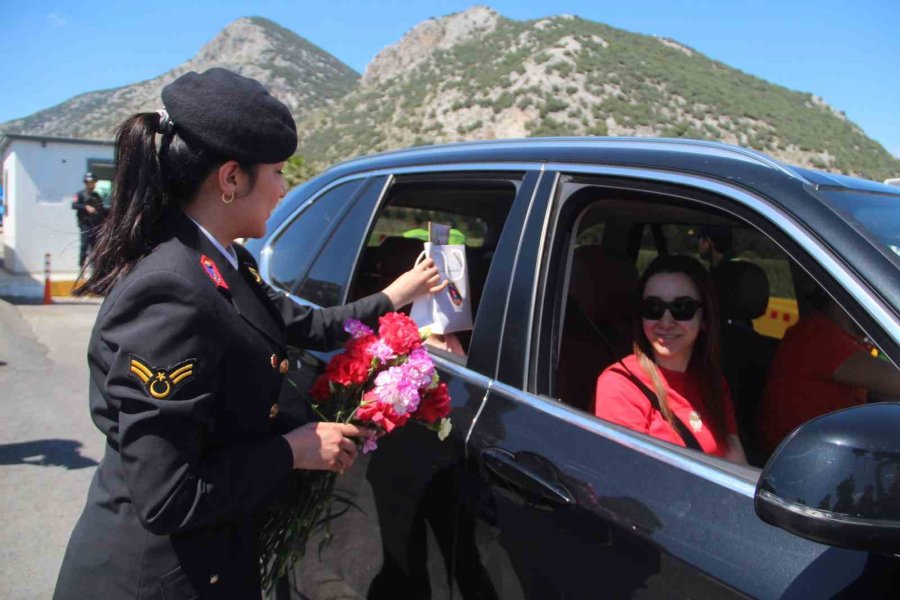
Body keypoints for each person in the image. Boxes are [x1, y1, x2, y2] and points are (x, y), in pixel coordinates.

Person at [53, 68, 445, 600]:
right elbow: (167, 495)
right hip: (153, 581)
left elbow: (303, 325)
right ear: (231, 178)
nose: (285, 189)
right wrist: (292, 450)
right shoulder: (170, 291)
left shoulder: (223, 260)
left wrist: (398, 298)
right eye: (279, 172)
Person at [595, 255, 747, 463]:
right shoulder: (620, 384)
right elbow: (625, 480)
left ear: (705, 318)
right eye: (653, 308)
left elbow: (737, 462)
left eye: (682, 308)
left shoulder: (714, 383)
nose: (666, 322)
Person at [758, 293, 900, 454]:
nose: (879, 310)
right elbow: (894, 380)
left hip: (827, 452)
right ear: (844, 300)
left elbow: (884, 394)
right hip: (805, 461)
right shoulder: (818, 335)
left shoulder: (843, 339)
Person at [71, 171, 107, 268]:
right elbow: (74, 205)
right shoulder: (80, 194)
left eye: (93, 182)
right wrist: (85, 207)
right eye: (90, 182)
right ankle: (81, 265)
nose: (92, 184)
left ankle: (94, 267)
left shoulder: (96, 195)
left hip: (95, 225)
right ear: (86, 183)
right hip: (85, 224)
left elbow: (101, 209)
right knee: (84, 245)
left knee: (95, 247)